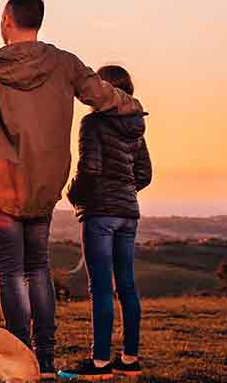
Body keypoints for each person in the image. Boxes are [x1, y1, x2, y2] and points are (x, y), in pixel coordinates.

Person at [0, 0, 144, 378]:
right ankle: (45, 362)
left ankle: (21, 357)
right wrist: (134, 108)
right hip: (45, 186)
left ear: (6, 20)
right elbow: (102, 96)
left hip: (0, 190)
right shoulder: (65, 64)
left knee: (11, 273)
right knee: (37, 269)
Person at [60, 65, 152, 380]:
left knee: (100, 287)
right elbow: (144, 174)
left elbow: (90, 169)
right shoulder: (136, 126)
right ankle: (130, 360)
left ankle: (100, 363)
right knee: (126, 285)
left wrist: (73, 196)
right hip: (129, 212)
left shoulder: (93, 124)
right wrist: (124, 192)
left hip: (100, 212)